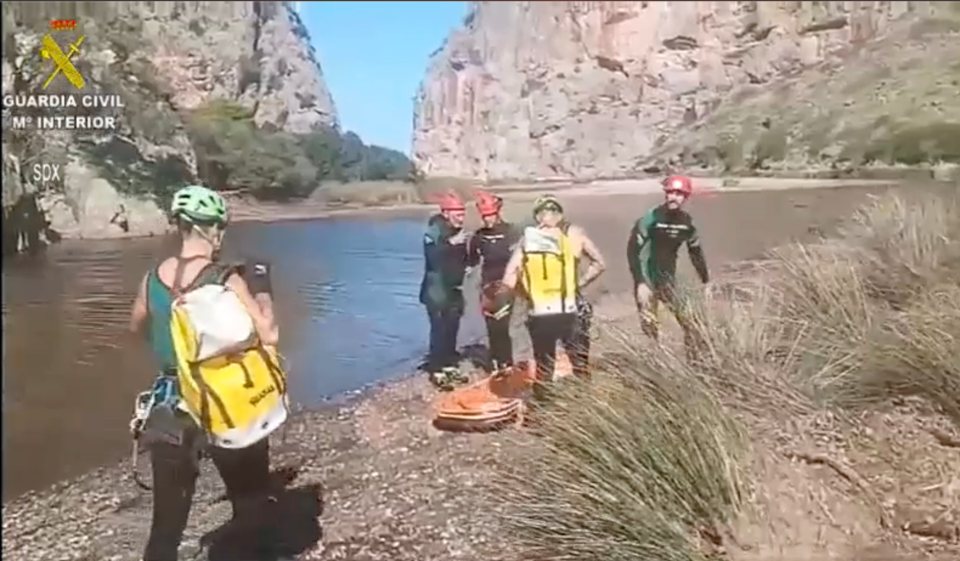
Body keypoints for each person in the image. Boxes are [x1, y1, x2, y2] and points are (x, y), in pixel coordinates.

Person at [127, 184, 280, 561]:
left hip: (170, 409)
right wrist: (262, 287)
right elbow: (269, 333)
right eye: (220, 228)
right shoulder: (224, 277)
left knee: (166, 528)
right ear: (212, 230)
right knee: (250, 507)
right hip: (224, 404)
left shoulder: (151, 279)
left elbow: (136, 328)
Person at [502, 194, 606, 389]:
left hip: (540, 313)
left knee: (543, 366)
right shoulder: (575, 234)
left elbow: (509, 278)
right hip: (569, 309)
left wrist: (527, 294)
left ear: (537, 217)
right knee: (580, 363)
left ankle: (543, 408)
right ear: (559, 215)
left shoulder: (528, 240)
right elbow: (600, 264)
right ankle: (586, 406)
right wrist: (578, 284)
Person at [626, 174, 710, 358]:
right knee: (650, 328)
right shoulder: (651, 218)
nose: (673, 197)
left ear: (686, 197)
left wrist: (705, 280)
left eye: (679, 194)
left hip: (667, 279)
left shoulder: (686, 222)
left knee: (691, 322)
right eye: (670, 192)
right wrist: (640, 282)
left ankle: (694, 364)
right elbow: (633, 250)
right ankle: (655, 367)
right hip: (647, 279)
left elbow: (695, 252)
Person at [419, 190, 471, 388]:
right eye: (457, 214)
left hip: (454, 288)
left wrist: (468, 264)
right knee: (439, 330)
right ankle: (436, 369)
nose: (461, 218)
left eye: (463, 214)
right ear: (446, 213)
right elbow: (433, 258)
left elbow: (461, 259)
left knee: (452, 327)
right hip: (436, 290)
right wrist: (451, 244)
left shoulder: (458, 231)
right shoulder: (433, 231)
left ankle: (450, 364)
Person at [467, 190, 522, 371]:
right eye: (485, 216)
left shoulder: (511, 232)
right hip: (487, 286)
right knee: (491, 325)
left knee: (502, 324)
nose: (488, 220)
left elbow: (522, 259)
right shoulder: (479, 236)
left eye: (491, 215)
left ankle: (507, 362)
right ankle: (497, 362)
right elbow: (472, 261)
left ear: (497, 213)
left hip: (506, 285)